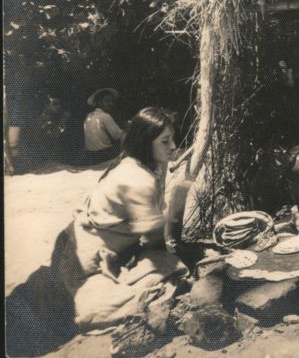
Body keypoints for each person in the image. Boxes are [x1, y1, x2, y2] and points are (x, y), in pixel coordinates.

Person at [51, 107, 193, 330]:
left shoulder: (131, 162)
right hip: (80, 261)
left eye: (172, 139)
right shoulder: (137, 178)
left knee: (165, 267)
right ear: (145, 143)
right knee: (173, 270)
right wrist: (172, 259)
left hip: (89, 250)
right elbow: (155, 238)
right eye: (165, 141)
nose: (173, 147)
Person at [83, 88, 124, 165]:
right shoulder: (105, 116)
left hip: (90, 156)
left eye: (112, 101)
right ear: (99, 102)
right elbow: (119, 136)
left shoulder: (89, 116)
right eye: (107, 101)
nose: (110, 103)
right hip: (104, 155)